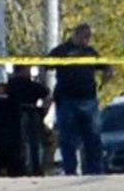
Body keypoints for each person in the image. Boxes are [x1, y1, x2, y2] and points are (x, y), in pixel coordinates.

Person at [47, 23, 110, 175]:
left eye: (89, 37)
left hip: (88, 100)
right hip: (66, 101)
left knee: (93, 138)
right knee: (67, 139)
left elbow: (106, 67)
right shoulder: (61, 51)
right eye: (85, 36)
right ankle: (70, 170)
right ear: (76, 35)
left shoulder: (90, 52)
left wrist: (105, 79)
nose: (87, 40)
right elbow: (45, 66)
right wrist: (47, 92)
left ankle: (95, 170)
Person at [0, 64, 51, 176]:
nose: (29, 72)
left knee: (24, 142)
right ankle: (36, 168)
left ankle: (25, 168)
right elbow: (47, 94)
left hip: (14, 116)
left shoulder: (9, 85)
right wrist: (45, 110)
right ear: (23, 70)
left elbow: (0, 98)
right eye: (28, 70)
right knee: (34, 143)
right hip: (30, 113)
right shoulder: (31, 85)